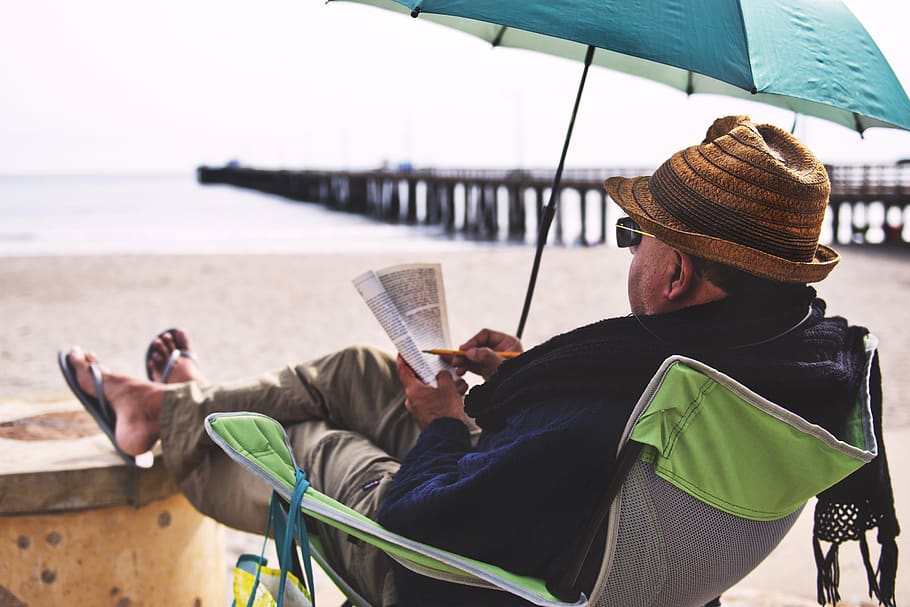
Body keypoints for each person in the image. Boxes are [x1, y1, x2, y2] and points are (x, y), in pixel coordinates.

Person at [59, 115, 898, 607]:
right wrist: (529, 374)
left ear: (677, 273)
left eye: (633, 236)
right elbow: (588, 433)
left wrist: (443, 422)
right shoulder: (784, 366)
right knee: (361, 368)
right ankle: (165, 405)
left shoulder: (620, 406)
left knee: (310, 435)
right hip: (563, 512)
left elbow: (420, 522)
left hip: (454, 571)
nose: (630, 251)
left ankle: (174, 415)